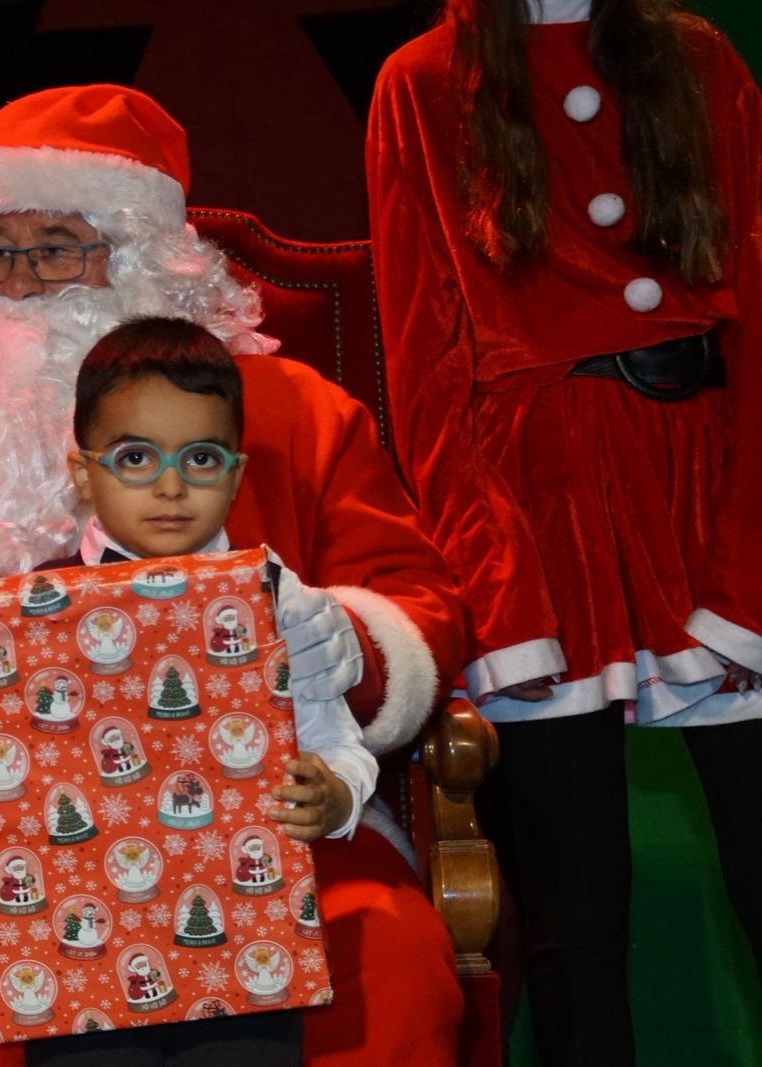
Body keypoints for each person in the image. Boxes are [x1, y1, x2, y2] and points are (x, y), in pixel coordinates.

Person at [0, 83, 465, 1067]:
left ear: (142, 260)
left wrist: (339, 639)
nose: (23, 281)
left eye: (61, 246)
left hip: (273, 813)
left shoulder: (296, 414)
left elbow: (421, 604)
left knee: (393, 954)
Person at [366, 2, 762, 1063]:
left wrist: (749, 557)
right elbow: (425, 357)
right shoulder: (423, 79)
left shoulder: (699, 60)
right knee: (572, 927)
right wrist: (499, 592)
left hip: (707, 496)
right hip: (539, 521)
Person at [0, 318, 381, 1065]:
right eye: (136, 457)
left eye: (200, 458)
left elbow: (339, 744)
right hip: (79, 959)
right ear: (83, 473)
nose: (171, 485)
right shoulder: (27, 610)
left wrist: (336, 794)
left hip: (247, 949)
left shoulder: (277, 599)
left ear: (235, 471)